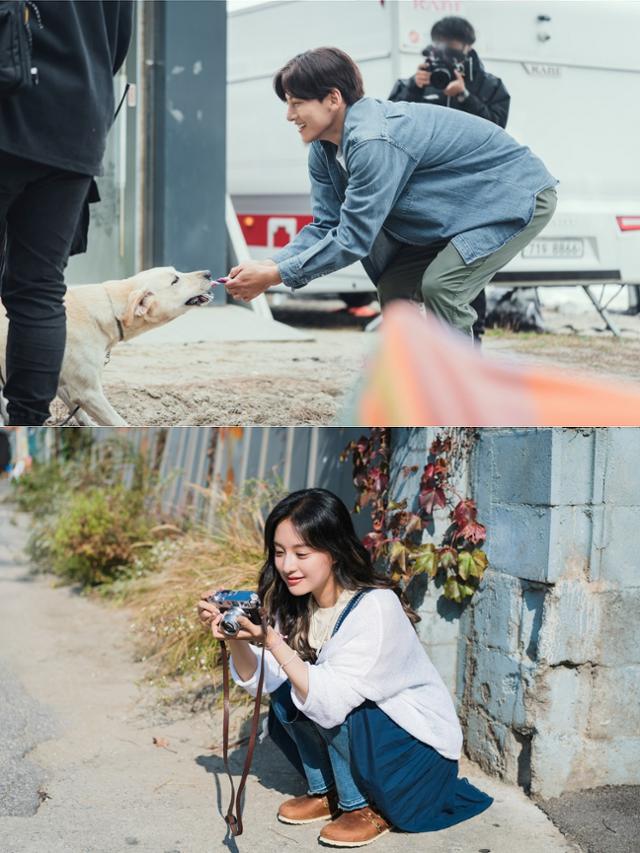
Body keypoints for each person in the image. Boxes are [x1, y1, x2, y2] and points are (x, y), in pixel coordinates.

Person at [198, 488, 492, 848]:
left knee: (338, 700)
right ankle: (328, 791)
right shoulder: (296, 603)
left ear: (334, 552)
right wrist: (237, 638)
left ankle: (362, 805)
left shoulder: (375, 608)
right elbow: (265, 679)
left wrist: (273, 641)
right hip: (374, 745)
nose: (287, 566)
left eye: (301, 553)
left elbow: (332, 702)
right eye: (279, 552)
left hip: (417, 759)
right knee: (285, 691)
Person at [224, 47, 557, 343]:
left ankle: (458, 401)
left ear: (333, 99)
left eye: (297, 103)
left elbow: (354, 238)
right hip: (458, 211)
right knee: (394, 288)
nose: (289, 115)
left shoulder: (373, 142)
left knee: (443, 286)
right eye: (287, 104)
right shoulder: (323, 149)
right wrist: (270, 263)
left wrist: (276, 275)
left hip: (513, 194)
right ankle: (411, 387)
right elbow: (327, 224)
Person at [0, 0, 133, 425]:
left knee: (38, 287)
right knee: (39, 287)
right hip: (78, 123)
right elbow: (118, 41)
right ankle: (27, 420)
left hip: (10, 104)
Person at [388, 16, 511, 342]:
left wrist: (464, 96)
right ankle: (418, 345)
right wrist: (412, 87)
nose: (448, 59)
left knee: (464, 267)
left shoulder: (490, 86)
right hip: (425, 192)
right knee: (414, 269)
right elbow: (390, 122)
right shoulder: (417, 81)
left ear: (468, 48)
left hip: (472, 195)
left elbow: (498, 132)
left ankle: (470, 344)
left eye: (454, 52)